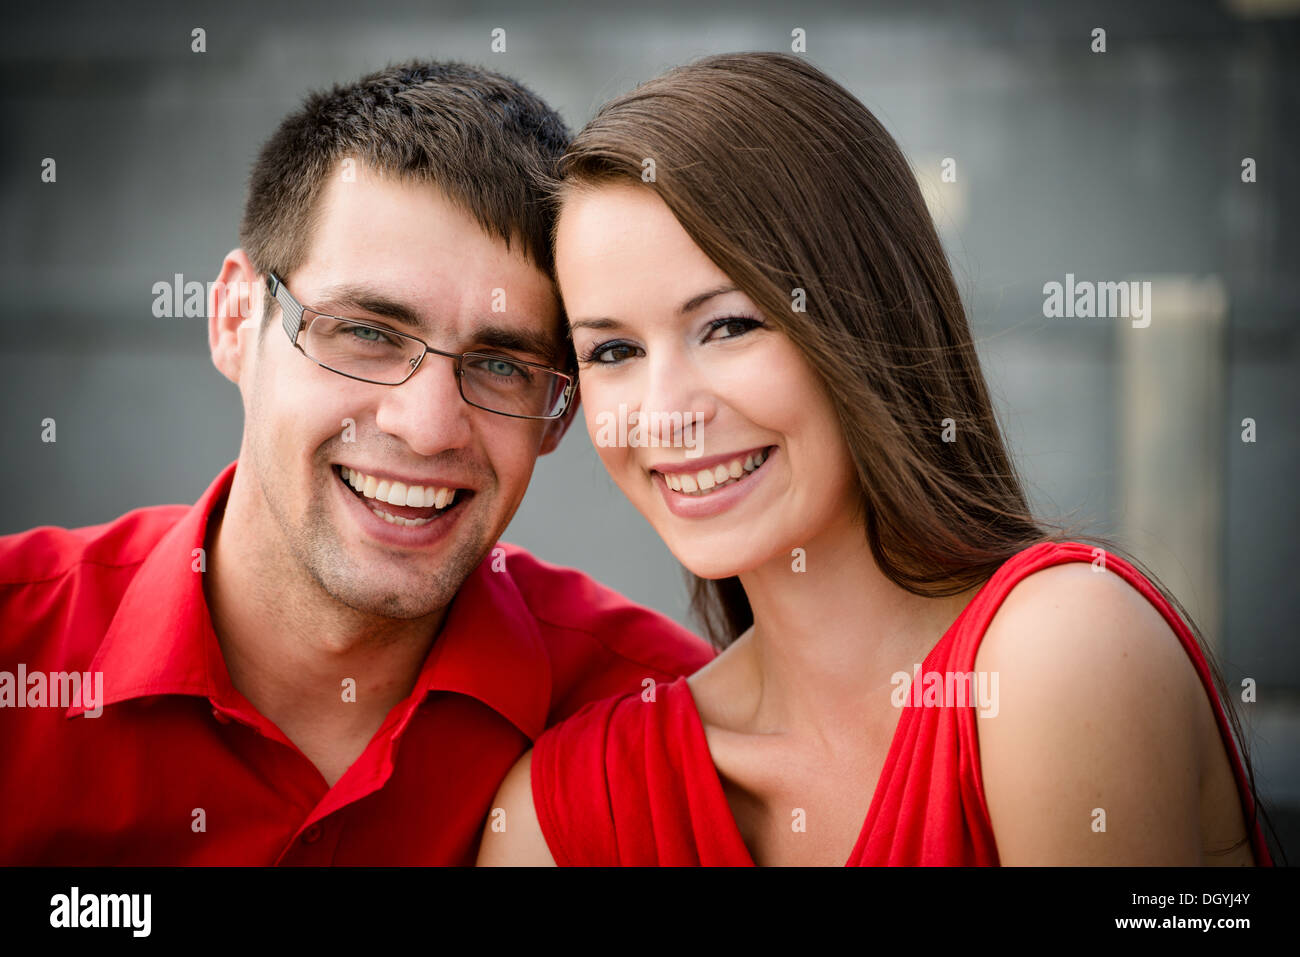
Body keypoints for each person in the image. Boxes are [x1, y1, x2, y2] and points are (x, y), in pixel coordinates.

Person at [478, 52, 1278, 866]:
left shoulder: (1064, 650)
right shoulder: (562, 809)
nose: (667, 413)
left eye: (729, 326)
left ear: (866, 318)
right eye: (612, 349)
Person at [0, 60, 713, 865]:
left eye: (502, 363)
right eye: (369, 333)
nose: (428, 426)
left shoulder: (655, 725)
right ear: (236, 320)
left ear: (559, 416)